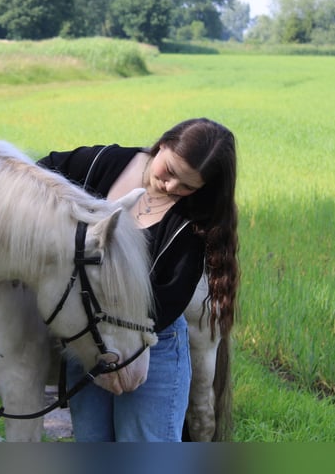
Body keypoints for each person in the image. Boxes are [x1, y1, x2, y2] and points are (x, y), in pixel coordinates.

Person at [37, 117, 240, 442]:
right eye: (170, 171)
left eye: (188, 186)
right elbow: (36, 177)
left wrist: (112, 342)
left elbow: (168, 300)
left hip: (149, 344)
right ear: (162, 145)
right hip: (90, 337)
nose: (172, 187)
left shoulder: (194, 219)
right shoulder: (103, 163)